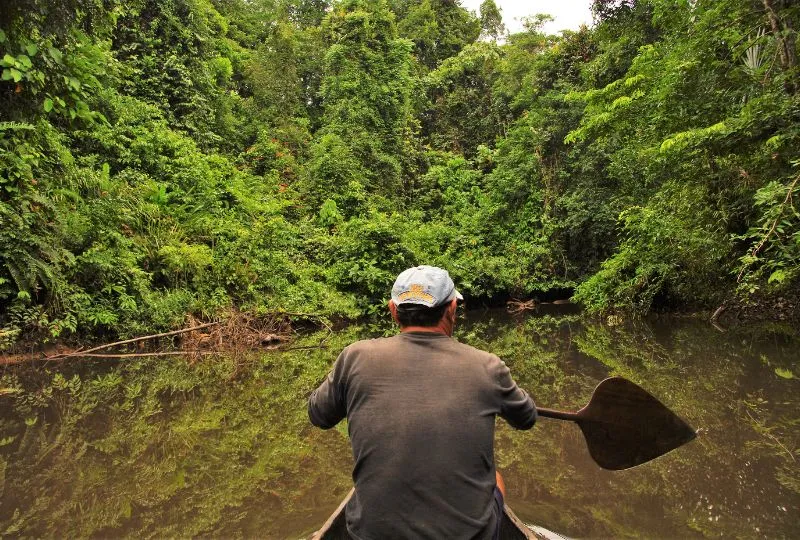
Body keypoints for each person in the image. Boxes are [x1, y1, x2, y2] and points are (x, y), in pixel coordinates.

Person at [308, 265, 536, 539]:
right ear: (452, 308)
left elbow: (318, 414)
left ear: (393, 310)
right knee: (496, 478)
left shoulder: (353, 357)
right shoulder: (487, 366)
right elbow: (527, 417)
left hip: (370, 533)